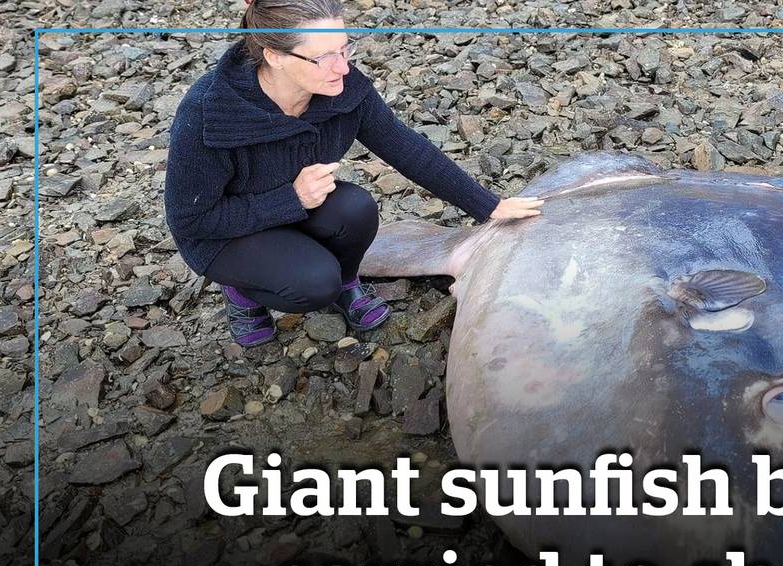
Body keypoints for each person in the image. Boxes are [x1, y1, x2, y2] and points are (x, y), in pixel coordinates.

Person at [163, 0, 543, 347]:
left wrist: (489, 206)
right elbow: (190, 219)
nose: (343, 67)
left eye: (345, 48)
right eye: (324, 57)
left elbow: (406, 148)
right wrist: (290, 200)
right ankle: (242, 292)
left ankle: (348, 283)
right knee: (315, 284)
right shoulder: (209, 113)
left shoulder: (341, 88)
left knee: (356, 208)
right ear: (274, 56)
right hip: (225, 234)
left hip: (297, 205)